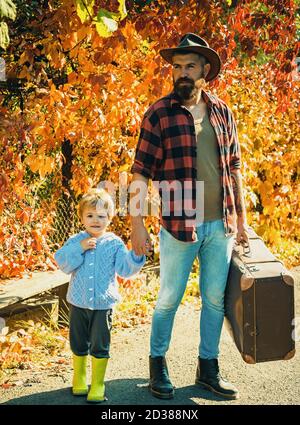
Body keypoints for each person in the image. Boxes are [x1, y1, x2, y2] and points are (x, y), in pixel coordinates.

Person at [130, 33, 249, 400]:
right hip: (179, 225)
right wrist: (136, 224)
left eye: (190, 66)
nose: (182, 73)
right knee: (169, 297)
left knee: (214, 299)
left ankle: (207, 368)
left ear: (205, 71)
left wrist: (242, 221)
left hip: (221, 225)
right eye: (177, 66)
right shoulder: (159, 113)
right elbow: (139, 173)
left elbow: (234, 167)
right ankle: (157, 364)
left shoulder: (222, 111)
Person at [55, 188, 145, 403]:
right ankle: (79, 377)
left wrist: (137, 255)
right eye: (90, 215)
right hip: (78, 303)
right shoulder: (76, 240)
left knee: (99, 342)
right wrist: (80, 248)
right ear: (82, 218)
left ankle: (97, 383)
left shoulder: (114, 243)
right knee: (78, 341)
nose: (96, 220)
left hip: (103, 304)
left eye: (101, 216)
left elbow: (124, 270)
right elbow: (62, 262)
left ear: (109, 218)